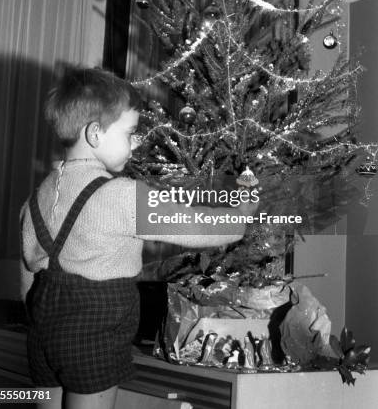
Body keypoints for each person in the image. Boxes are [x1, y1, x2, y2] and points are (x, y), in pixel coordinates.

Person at [20, 66, 250, 409]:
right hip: (93, 330)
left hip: (42, 330)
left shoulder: (39, 194)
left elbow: (26, 269)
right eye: (130, 132)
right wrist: (242, 215)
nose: (136, 142)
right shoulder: (122, 195)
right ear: (95, 134)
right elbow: (197, 227)